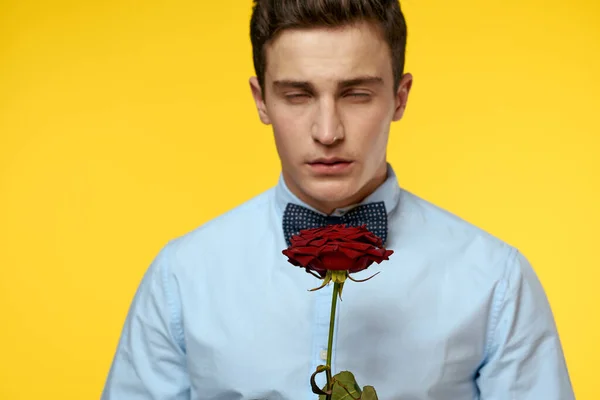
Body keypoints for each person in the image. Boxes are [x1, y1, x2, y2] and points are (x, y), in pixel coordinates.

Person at [101, 0, 575, 398]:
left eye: (356, 94)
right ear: (261, 100)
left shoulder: (496, 280)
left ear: (400, 97)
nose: (328, 132)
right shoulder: (182, 276)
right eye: (297, 95)